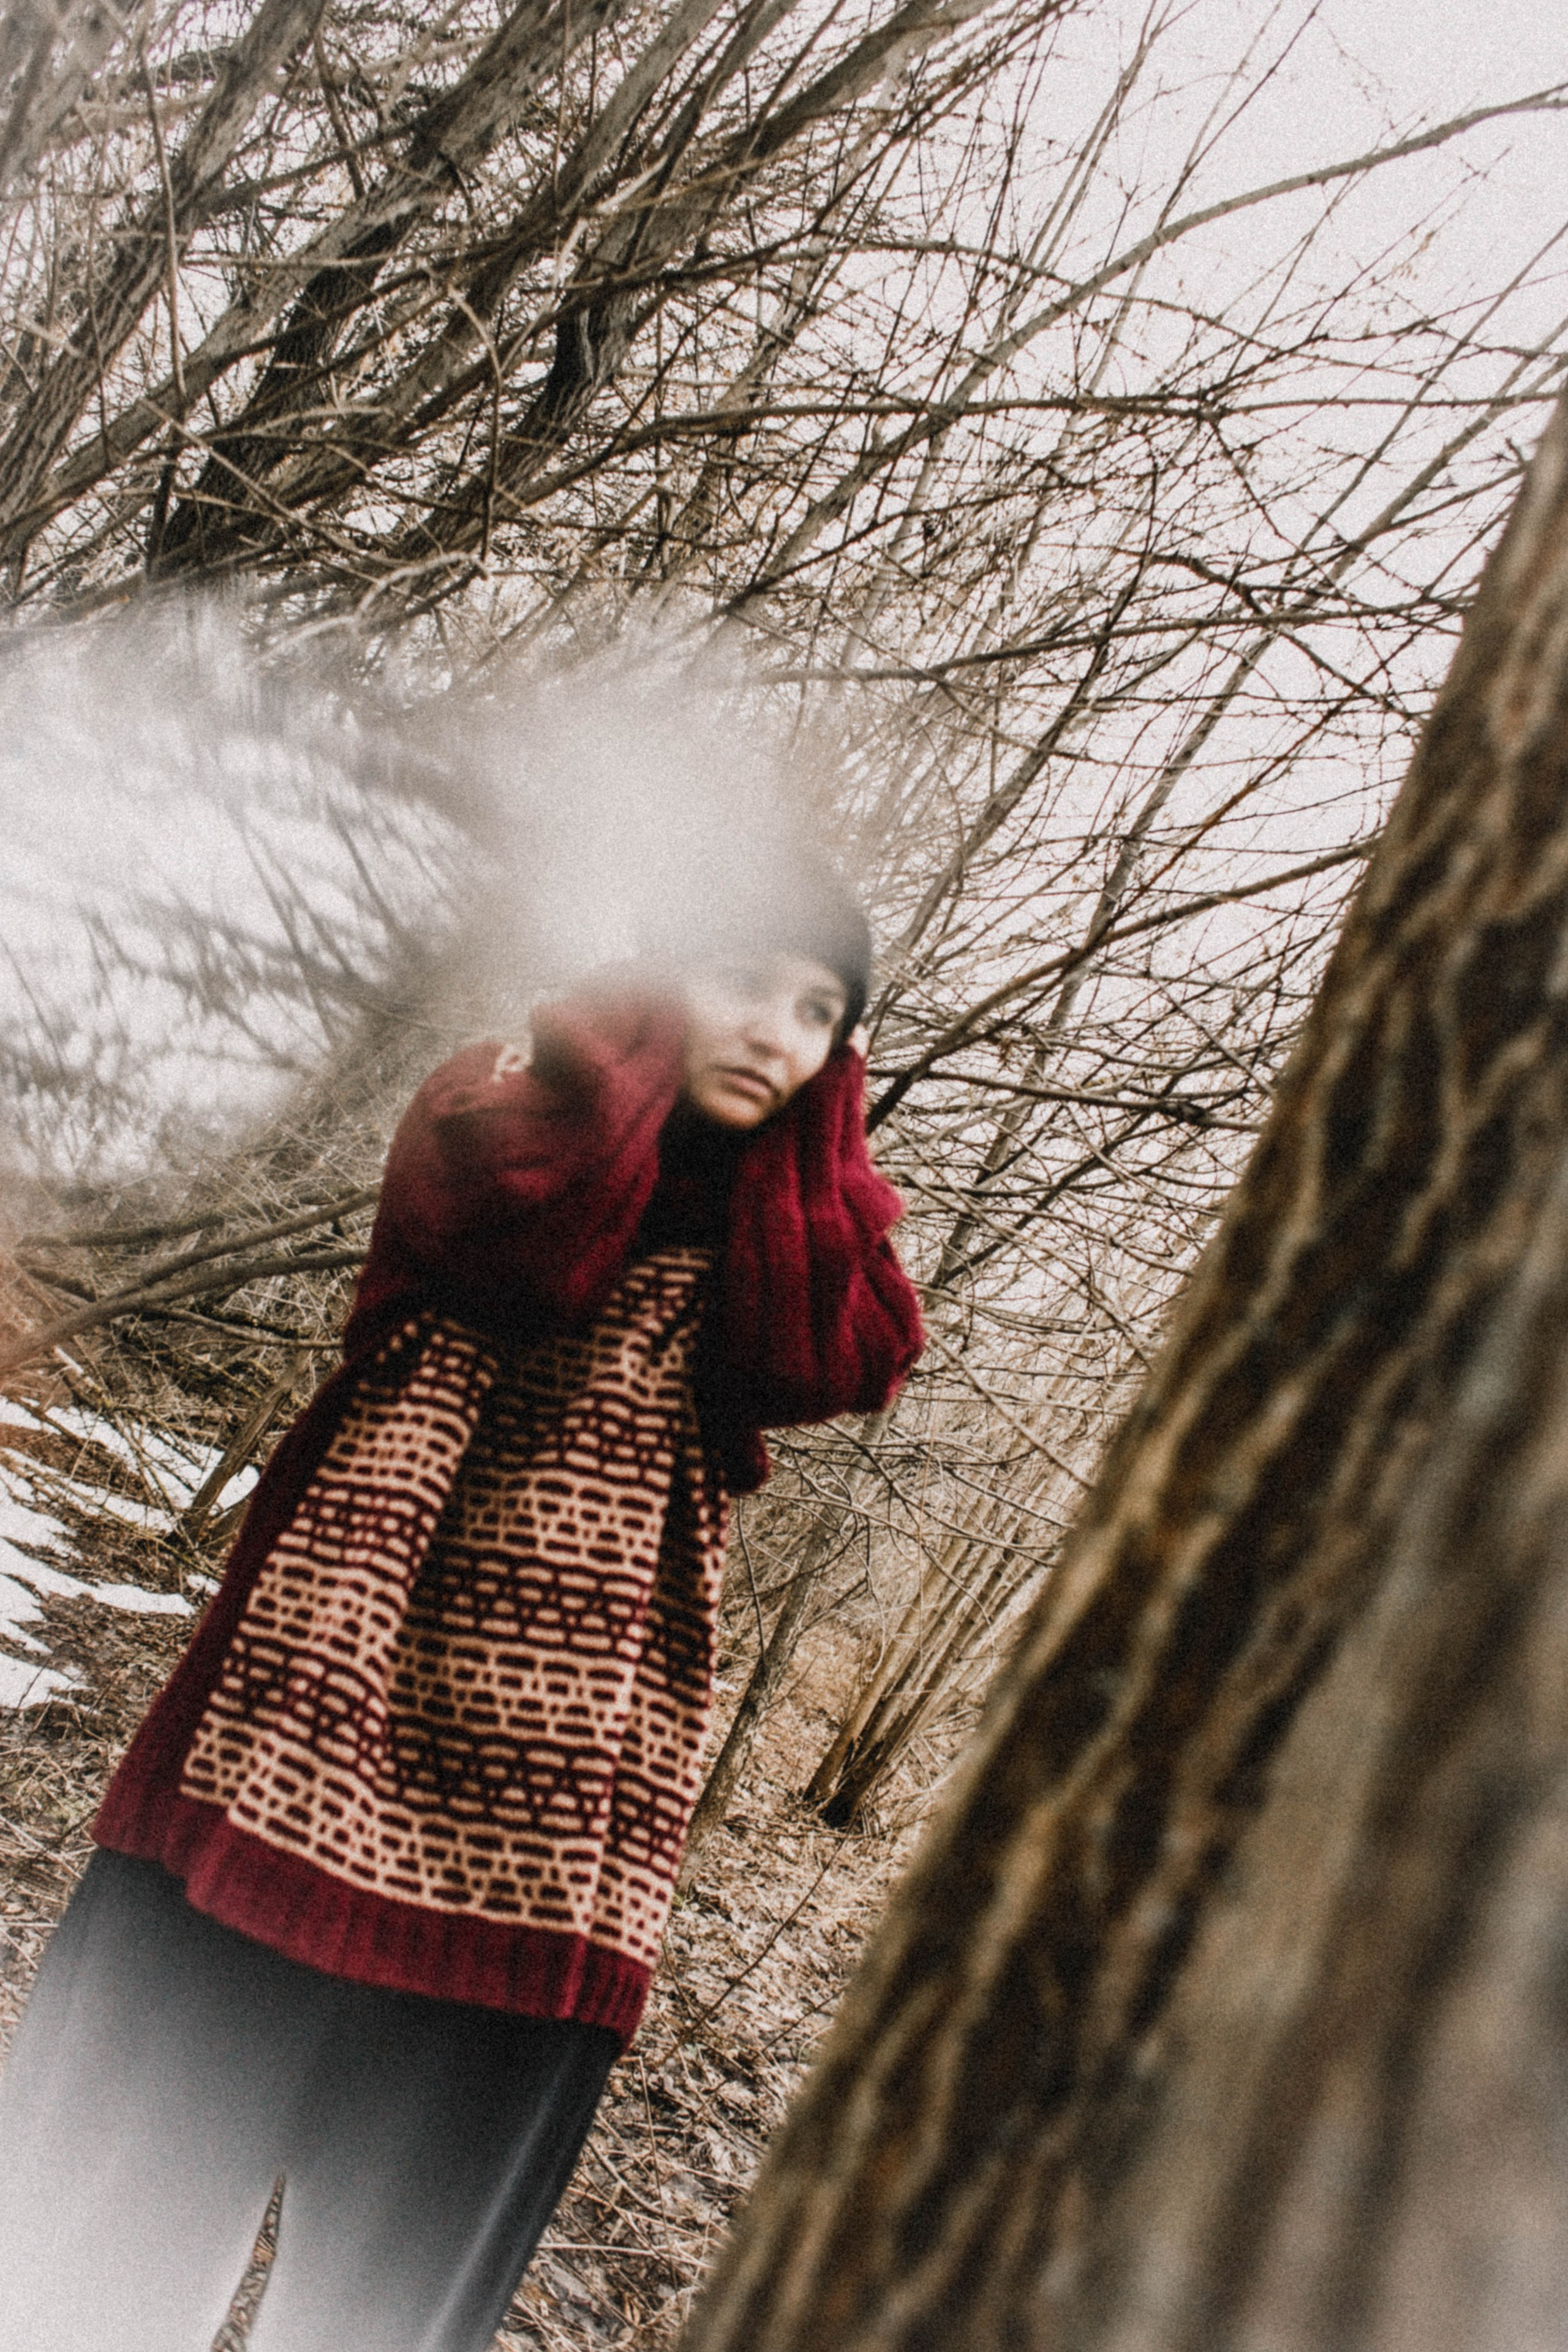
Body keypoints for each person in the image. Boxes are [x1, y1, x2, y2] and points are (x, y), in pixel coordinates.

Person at [0, 861, 923, 2352]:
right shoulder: (509, 1116)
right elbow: (521, 1217)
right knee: (83, 2258)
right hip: (303, 1727)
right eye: (742, 979)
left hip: (558, 1830)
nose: (777, 1029)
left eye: (819, 1013)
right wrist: (629, 1055)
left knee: (383, 2313)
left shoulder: (776, 1242)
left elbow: (841, 1350)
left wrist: (814, 1147)